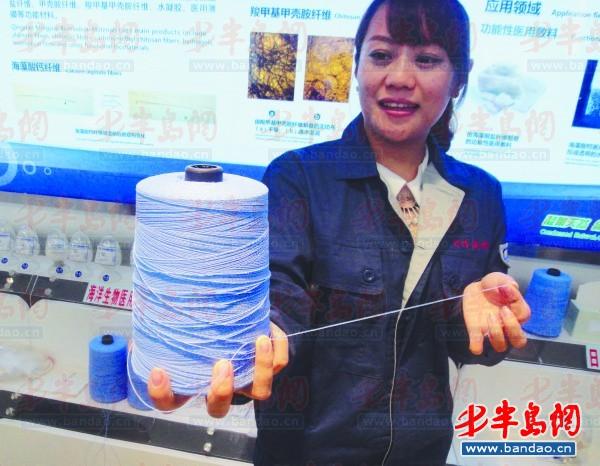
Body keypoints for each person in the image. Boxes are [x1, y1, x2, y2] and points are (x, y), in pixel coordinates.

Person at [148, 0, 531, 464]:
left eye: (427, 59)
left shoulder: (480, 194)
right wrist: (247, 348)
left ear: (459, 78)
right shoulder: (298, 178)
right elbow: (278, 295)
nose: (399, 77)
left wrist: (489, 321)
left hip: (422, 452)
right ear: (356, 65)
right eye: (381, 55)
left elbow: (469, 343)